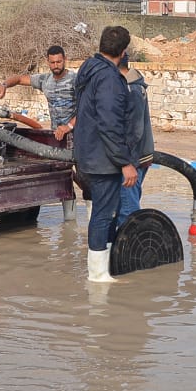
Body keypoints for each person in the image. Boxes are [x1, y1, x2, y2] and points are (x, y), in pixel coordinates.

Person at [72, 26, 137, 283]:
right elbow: (110, 124)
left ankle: (104, 267)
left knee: (106, 212)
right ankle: (98, 275)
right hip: (102, 159)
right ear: (123, 52)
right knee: (103, 215)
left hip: (87, 154)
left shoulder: (89, 69)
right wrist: (124, 162)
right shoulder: (109, 79)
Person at [0, 45, 77, 140]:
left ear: (65, 59)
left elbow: (86, 108)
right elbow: (19, 79)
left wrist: (69, 126)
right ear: (47, 62)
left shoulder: (76, 80)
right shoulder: (45, 80)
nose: (56, 66)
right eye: (52, 62)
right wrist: (4, 85)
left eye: (59, 62)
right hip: (56, 135)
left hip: (76, 134)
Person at [115, 52, 154, 230]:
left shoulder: (132, 89)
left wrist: (126, 162)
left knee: (127, 211)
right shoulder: (133, 85)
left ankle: (131, 243)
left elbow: (134, 130)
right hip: (136, 157)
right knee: (124, 206)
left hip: (133, 159)